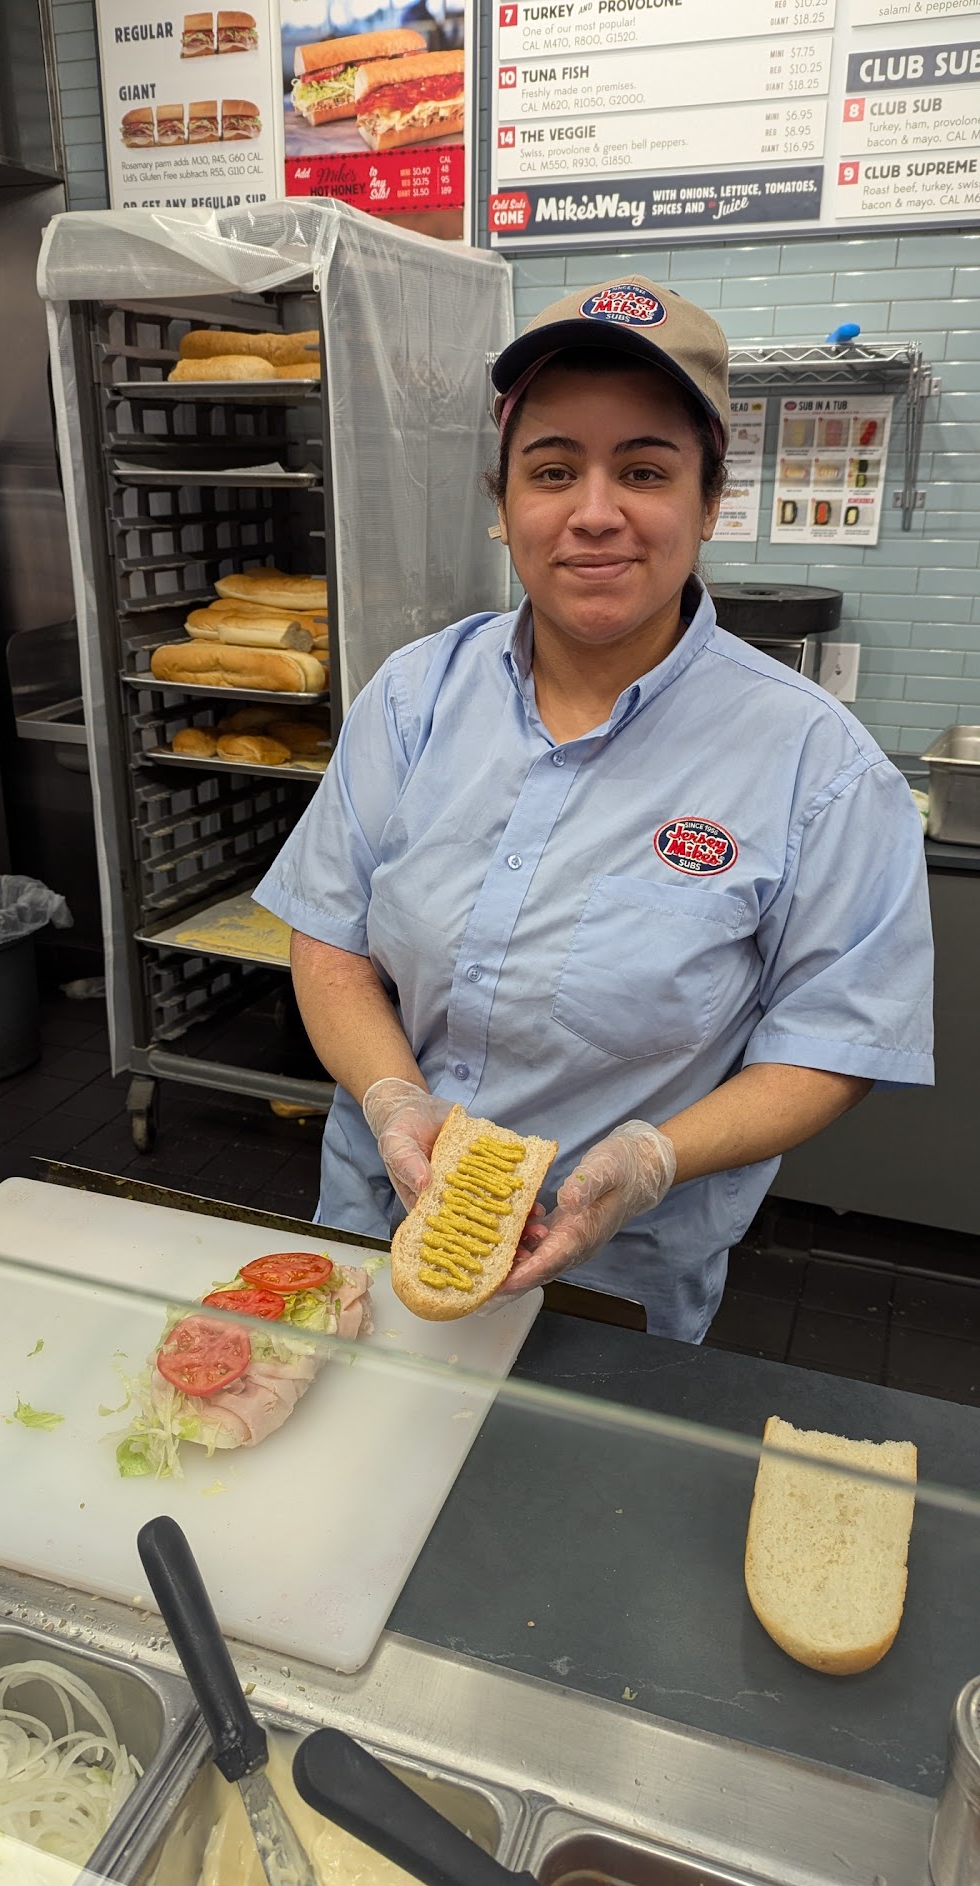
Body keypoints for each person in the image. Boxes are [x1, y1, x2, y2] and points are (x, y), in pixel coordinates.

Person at [254, 277, 934, 1342]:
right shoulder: (414, 697)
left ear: (710, 502)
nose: (595, 512)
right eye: (553, 469)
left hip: (614, 1285)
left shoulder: (819, 765)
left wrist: (652, 1159)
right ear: (503, 502)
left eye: (646, 470)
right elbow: (331, 939)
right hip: (370, 1227)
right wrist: (392, 1100)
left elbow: (837, 1043)